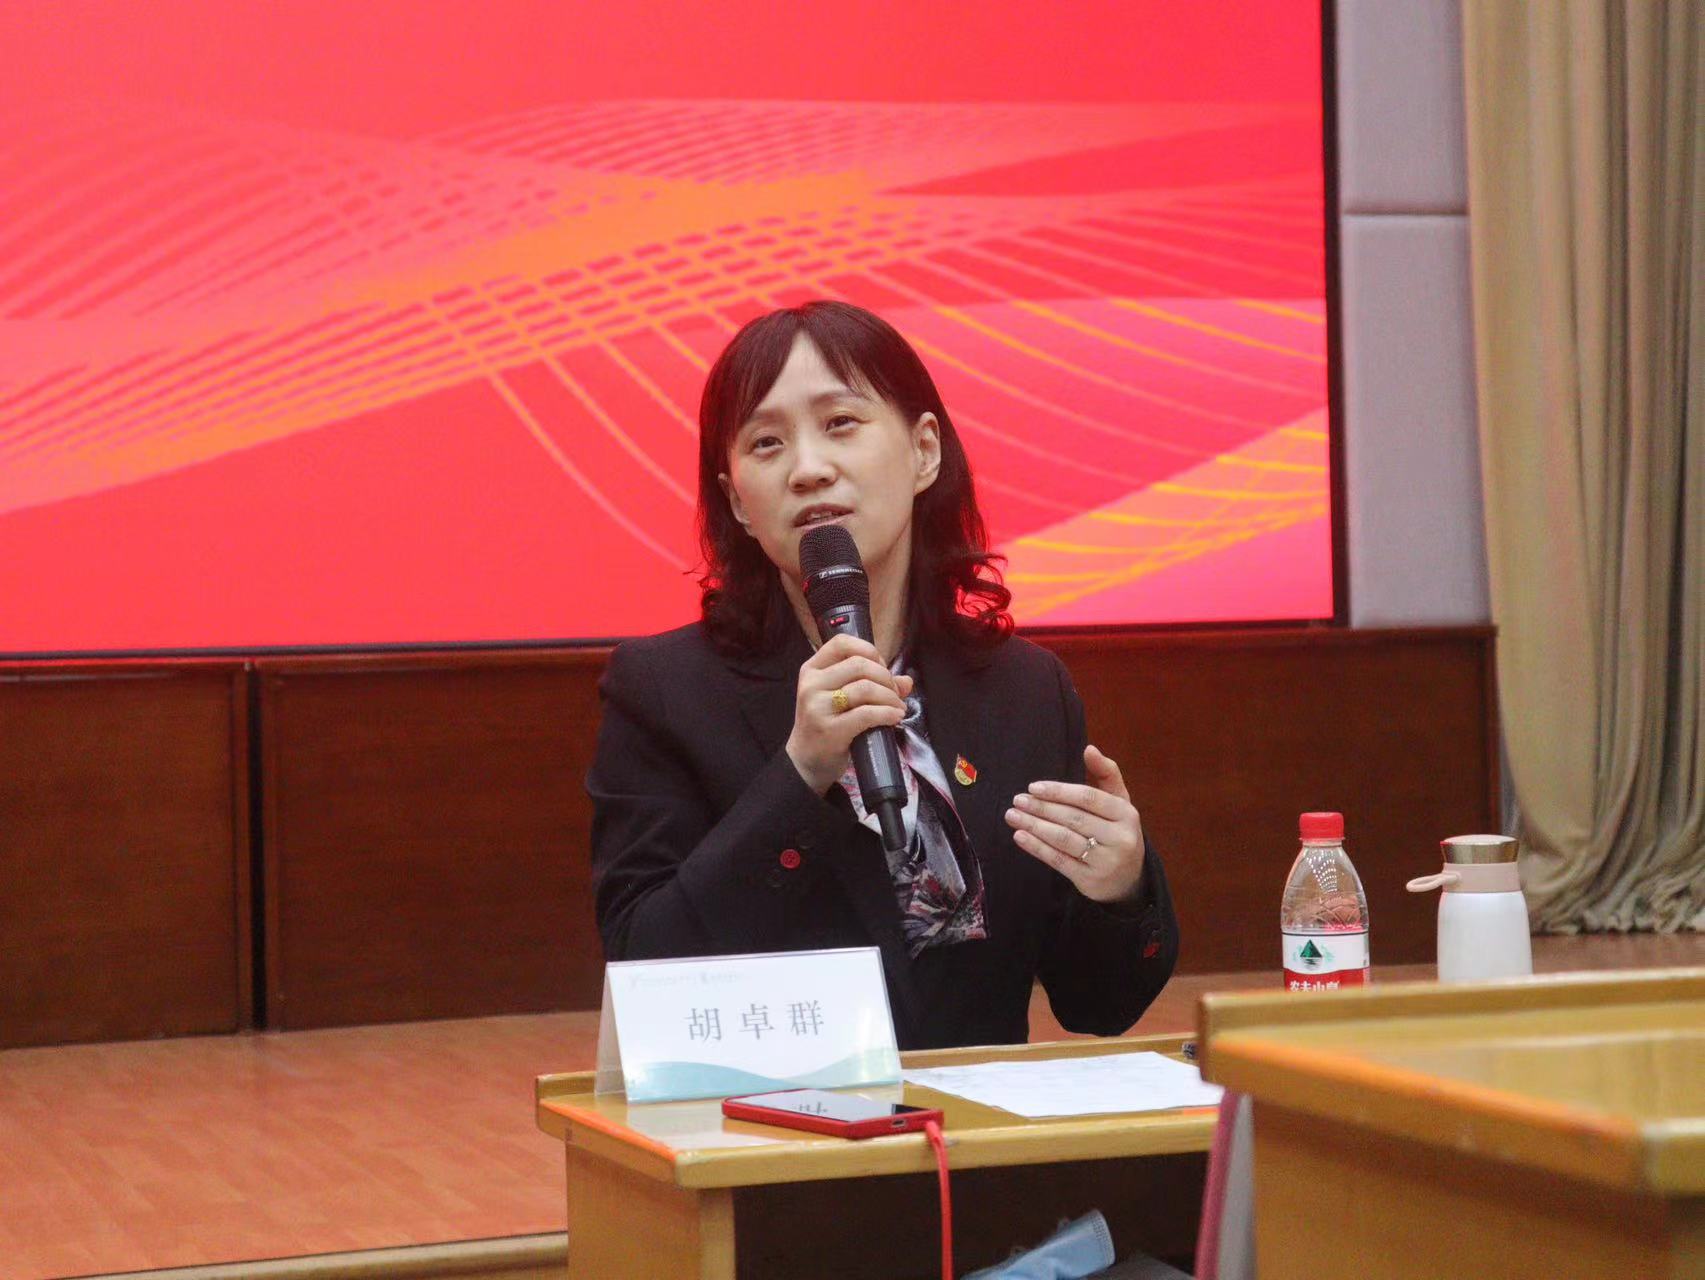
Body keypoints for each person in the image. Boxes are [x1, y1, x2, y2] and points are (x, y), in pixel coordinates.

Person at [587, 301, 1177, 1049]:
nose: (808, 469)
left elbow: (1097, 1005)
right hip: (769, 1115)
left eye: (840, 423)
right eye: (767, 443)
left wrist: (1121, 888)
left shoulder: (1024, 692)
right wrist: (799, 774)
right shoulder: (664, 692)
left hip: (972, 1121)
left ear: (924, 450)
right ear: (737, 499)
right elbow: (644, 963)